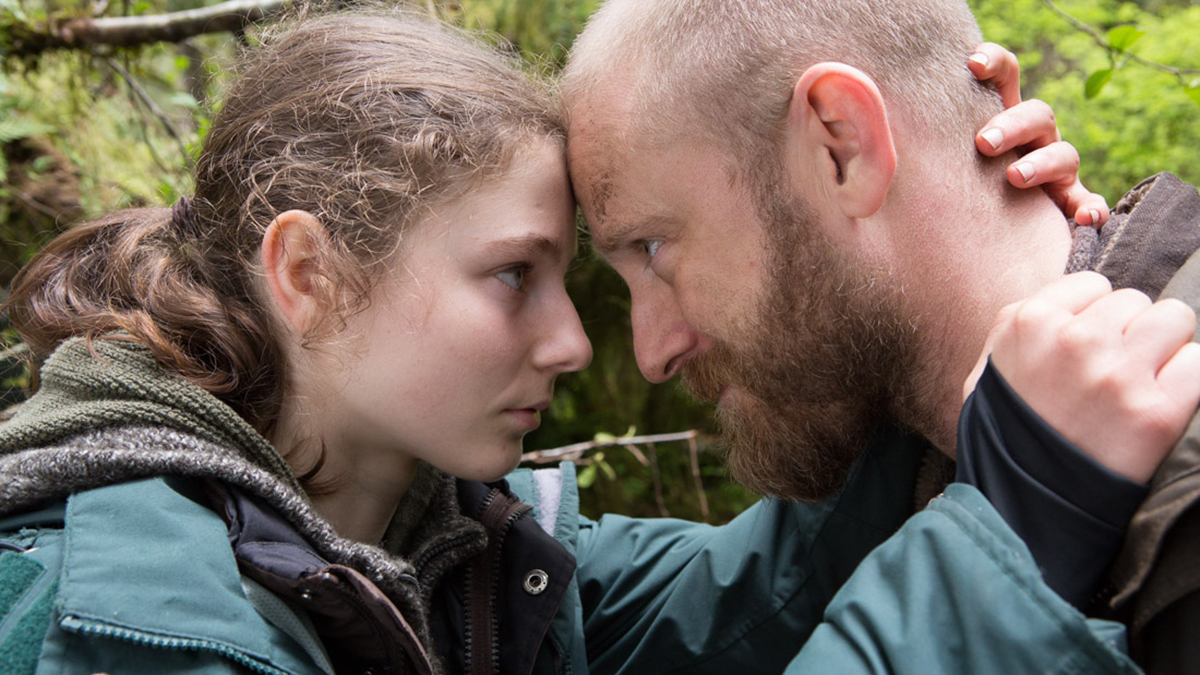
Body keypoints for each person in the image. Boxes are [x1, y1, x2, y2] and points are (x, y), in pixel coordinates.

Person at [0, 7, 1136, 675]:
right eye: (513, 277)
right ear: (308, 274)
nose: (579, 346)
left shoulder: (469, 562)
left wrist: (943, 227)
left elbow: (764, 595)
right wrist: (1029, 508)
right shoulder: (102, 620)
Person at [561, 0, 1200, 672]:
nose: (651, 353)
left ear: (843, 146)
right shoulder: (909, 476)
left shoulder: (1180, 519)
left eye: (653, 245)